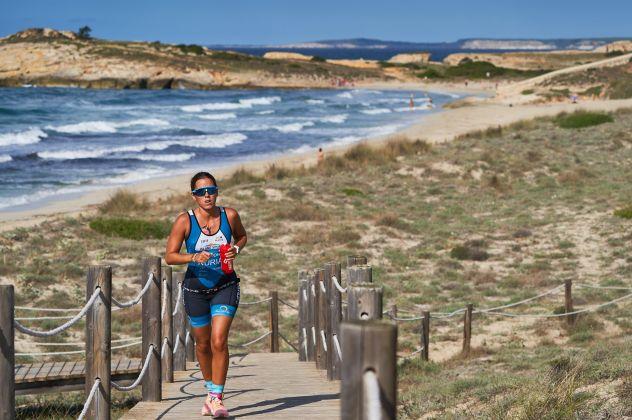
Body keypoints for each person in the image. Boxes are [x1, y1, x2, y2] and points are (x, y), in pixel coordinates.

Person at [165, 171, 247, 418]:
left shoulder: (229, 215)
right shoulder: (185, 221)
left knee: (219, 340)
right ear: (194, 196)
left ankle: (216, 398)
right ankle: (210, 390)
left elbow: (242, 237)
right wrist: (192, 257)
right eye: (201, 192)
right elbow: (170, 256)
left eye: (211, 190)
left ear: (217, 191)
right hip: (195, 290)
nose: (207, 195)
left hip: (226, 285)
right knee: (202, 344)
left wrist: (235, 248)